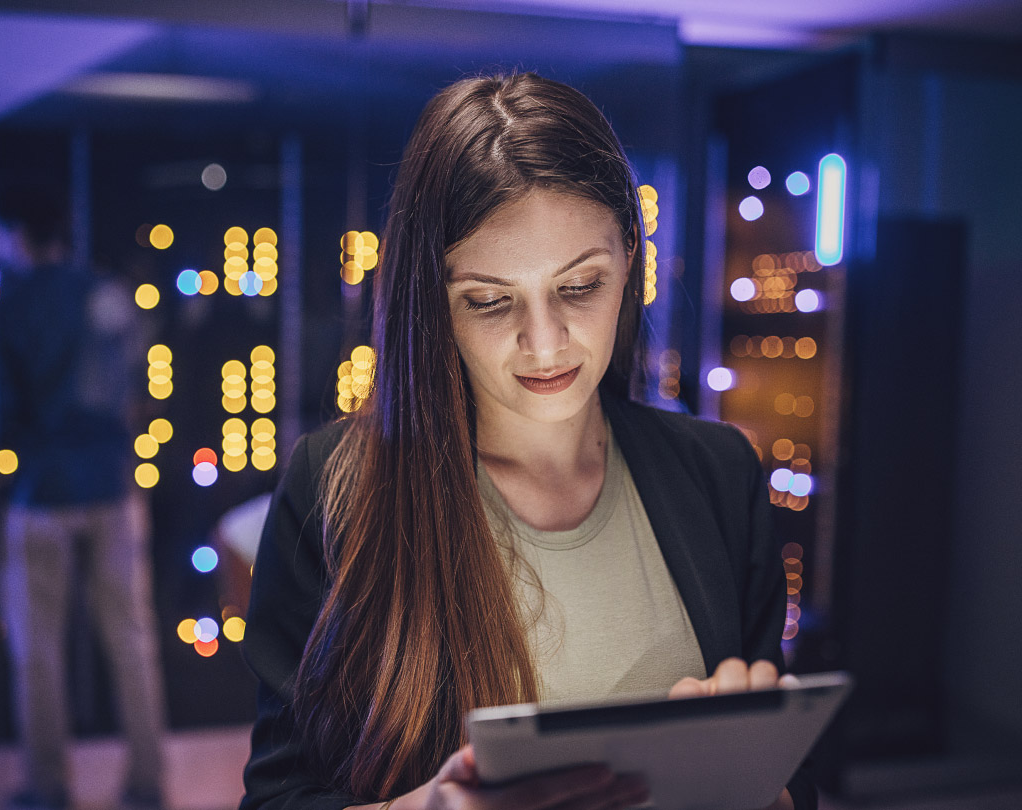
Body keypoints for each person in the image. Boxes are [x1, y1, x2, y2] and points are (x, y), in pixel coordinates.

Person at [239, 73, 813, 810]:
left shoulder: (719, 473)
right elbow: (277, 799)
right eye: (489, 300)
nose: (545, 345)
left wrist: (757, 788)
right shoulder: (336, 488)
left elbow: (793, 779)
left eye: (579, 288)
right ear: (433, 303)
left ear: (631, 261)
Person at [0, 186, 167, 810]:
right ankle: (147, 782)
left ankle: (48, 786)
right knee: (132, 640)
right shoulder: (109, 294)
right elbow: (137, 396)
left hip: (40, 491)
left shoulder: (6, 306)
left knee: (38, 651)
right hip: (112, 486)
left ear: (14, 232)